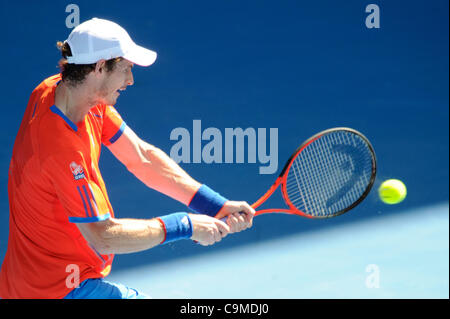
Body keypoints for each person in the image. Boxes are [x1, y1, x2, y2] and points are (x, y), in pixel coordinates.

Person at [0, 18, 255, 299]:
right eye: (125, 69)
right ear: (99, 67)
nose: (131, 80)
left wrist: (213, 205)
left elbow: (142, 158)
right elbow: (103, 236)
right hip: (56, 291)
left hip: (32, 281)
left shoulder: (67, 94)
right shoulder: (60, 148)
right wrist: (185, 225)